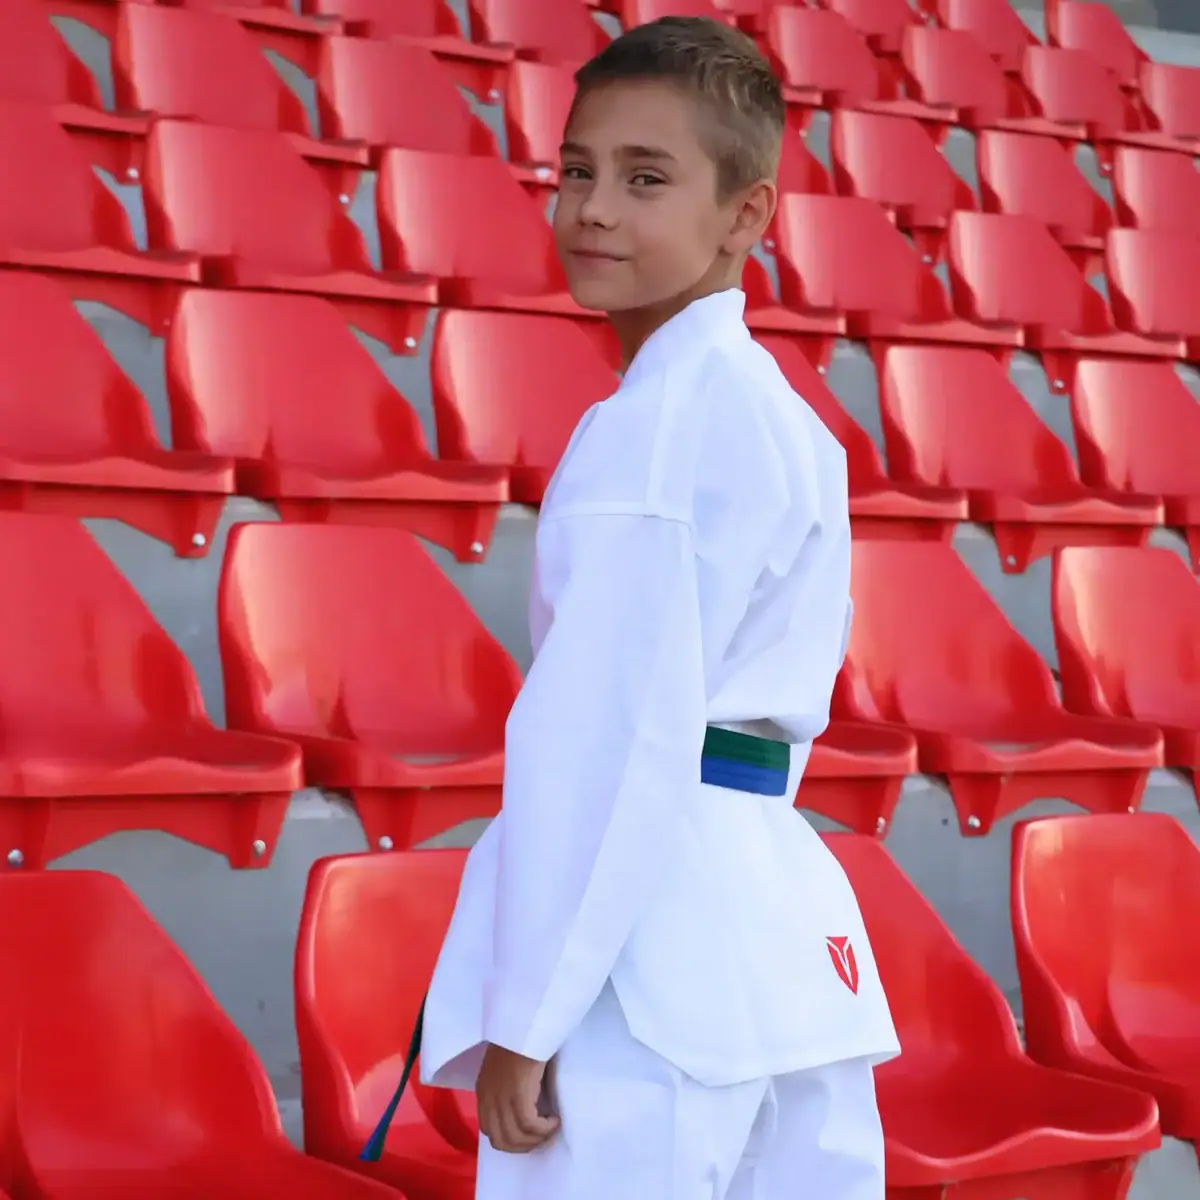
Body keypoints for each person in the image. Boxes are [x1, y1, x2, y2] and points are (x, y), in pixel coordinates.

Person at [419, 15, 900, 1199]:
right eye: (577, 171)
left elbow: (609, 733)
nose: (592, 210)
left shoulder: (654, 431)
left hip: (644, 970)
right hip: (778, 937)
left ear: (746, 213)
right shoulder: (784, 415)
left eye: (645, 179)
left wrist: (530, 1011)